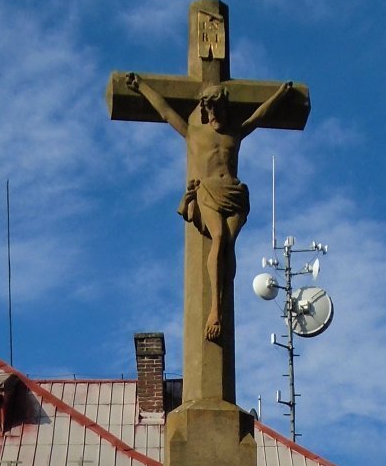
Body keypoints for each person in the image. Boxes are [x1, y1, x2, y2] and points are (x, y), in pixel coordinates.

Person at [125, 73, 295, 341]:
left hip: (235, 194)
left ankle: (223, 303)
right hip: (209, 192)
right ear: (205, 109)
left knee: (228, 244)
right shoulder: (193, 133)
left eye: (219, 107)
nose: (215, 112)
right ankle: (215, 309)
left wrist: (280, 95)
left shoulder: (234, 133)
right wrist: (143, 87)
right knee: (217, 238)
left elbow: (260, 116)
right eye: (210, 107)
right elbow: (167, 112)